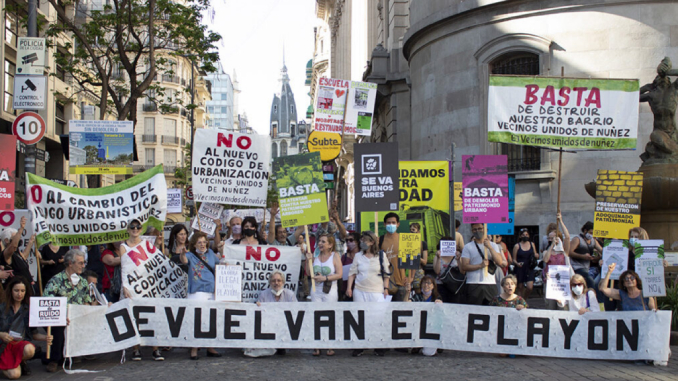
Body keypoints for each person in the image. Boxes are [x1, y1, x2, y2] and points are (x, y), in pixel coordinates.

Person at [42, 249, 93, 372]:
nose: (83, 266)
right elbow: (47, 302)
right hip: (60, 318)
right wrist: (61, 315)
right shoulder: (56, 280)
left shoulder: (83, 282)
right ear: (70, 263)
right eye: (80, 263)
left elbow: (87, 300)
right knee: (59, 324)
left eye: (84, 263)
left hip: (77, 318)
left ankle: (78, 352)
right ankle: (54, 359)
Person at [120, 219, 164, 362]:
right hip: (132, 286)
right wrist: (125, 286)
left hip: (147, 285)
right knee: (134, 318)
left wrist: (158, 244)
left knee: (151, 317)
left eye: (138, 227)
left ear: (141, 229)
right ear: (128, 229)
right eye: (132, 227)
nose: (135, 229)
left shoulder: (146, 244)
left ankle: (155, 349)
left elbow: (155, 260)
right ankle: (136, 349)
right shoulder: (123, 247)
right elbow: (124, 268)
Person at [179, 232, 222, 360]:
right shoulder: (190, 255)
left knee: (211, 320)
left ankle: (210, 347)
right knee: (196, 320)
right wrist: (182, 254)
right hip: (197, 292)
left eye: (204, 242)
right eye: (199, 242)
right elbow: (184, 260)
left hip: (211, 291)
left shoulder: (211, 254)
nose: (202, 244)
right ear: (194, 244)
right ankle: (194, 348)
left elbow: (219, 266)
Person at [346, 231, 389, 357]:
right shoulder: (358, 256)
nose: (362, 243)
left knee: (377, 318)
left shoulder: (381, 256)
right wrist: (349, 287)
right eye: (361, 240)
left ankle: (378, 344)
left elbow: (386, 274)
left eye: (365, 240)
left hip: (376, 291)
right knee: (360, 318)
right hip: (360, 290)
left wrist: (386, 288)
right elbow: (352, 273)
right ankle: (360, 345)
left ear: (372, 242)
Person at [0, 277, 53, 378]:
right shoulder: (2, 308)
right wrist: (1, 334)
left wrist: (45, 338)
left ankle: (20, 361)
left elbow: (34, 334)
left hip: (19, 344)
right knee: (14, 375)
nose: (19, 294)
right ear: (11, 291)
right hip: (3, 345)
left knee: (30, 349)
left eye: (22, 291)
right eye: (16, 290)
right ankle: (7, 364)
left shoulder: (29, 309)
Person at [244, 271, 298, 358]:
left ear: (283, 282)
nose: (276, 283)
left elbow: (296, 311)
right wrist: (257, 306)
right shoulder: (264, 294)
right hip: (268, 324)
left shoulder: (290, 295)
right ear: (270, 283)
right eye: (273, 281)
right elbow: (258, 312)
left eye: (279, 280)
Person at [305, 234, 342, 356]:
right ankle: (317, 345)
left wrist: (325, 278)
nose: (320, 243)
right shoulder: (315, 256)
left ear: (330, 245)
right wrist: (307, 259)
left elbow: (339, 274)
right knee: (316, 316)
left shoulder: (334, 256)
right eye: (319, 241)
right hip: (316, 290)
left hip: (329, 290)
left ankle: (330, 345)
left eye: (323, 242)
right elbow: (308, 272)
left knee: (329, 316)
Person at [461, 223, 507, 305]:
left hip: (490, 283)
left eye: (480, 228)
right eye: (475, 229)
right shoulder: (468, 247)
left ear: (485, 229)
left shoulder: (493, 245)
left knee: (491, 309)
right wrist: (480, 266)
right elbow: (464, 266)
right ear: (472, 231)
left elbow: (499, 261)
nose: (477, 231)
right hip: (473, 283)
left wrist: (490, 247)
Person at [379, 213, 413, 302]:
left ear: (398, 224)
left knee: (400, 311)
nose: (391, 225)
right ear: (384, 224)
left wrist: (410, 278)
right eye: (388, 222)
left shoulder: (404, 239)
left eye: (393, 222)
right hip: (384, 284)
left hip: (401, 283)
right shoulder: (380, 240)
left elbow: (412, 260)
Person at [542, 213, 571, 310]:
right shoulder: (547, 251)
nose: (551, 240)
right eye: (550, 238)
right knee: (550, 307)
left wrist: (561, 221)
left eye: (553, 238)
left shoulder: (564, 252)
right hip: (550, 282)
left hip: (562, 282)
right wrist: (552, 245)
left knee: (562, 307)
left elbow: (567, 237)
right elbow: (546, 259)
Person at [409, 275, 442, 357]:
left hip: (431, 327)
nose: (426, 285)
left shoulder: (436, 297)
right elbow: (407, 304)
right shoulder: (417, 296)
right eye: (424, 282)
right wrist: (407, 293)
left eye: (429, 283)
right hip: (418, 324)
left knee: (428, 352)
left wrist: (441, 304)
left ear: (433, 286)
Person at [0, 217, 34, 292]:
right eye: (16, 237)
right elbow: (13, 246)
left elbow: (24, 257)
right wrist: (21, 229)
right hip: (16, 291)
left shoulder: (17, 253)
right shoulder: (6, 254)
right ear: (6, 240)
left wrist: (31, 242)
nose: (19, 239)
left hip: (27, 289)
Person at [568, 222, 602, 289]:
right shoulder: (577, 239)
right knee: (591, 282)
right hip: (576, 267)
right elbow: (569, 252)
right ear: (585, 231)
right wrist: (583, 256)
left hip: (587, 268)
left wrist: (597, 258)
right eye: (591, 233)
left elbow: (601, 250)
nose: (591, 235)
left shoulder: (593, 241)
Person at [433, 236, 465, 303]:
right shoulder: (437, 256)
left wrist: (459, 259)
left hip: (454, 286)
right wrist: (438, 258)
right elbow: (437, 271)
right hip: (440, 285)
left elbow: (462, 271)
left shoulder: (457, 256)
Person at [511, 228, 538, 300]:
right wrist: (517, 264)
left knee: (530, 287)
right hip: (520, 268)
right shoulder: (517, 246)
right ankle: (519, 301)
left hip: (529, 267)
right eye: (523, 235)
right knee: (520, 287)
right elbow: (514, 259)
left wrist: (536, 255)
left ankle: (524, 299)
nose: (525, 236)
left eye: (526, 234)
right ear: (520, 236)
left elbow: (535, 254)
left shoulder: (532, 244)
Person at [340, 232, 360, 300]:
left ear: (357, 242)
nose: (348, 242)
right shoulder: (344, 256)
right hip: (346, 289)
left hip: (360, 288)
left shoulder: (362, 256)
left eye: (351, 240)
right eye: (347, 240)